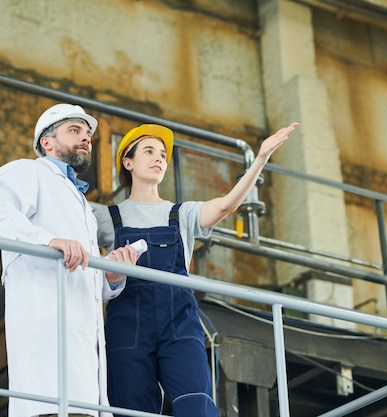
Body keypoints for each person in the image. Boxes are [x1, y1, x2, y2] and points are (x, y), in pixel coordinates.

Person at [95, 121, 299, 417]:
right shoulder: (104, 218)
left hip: (178, 324)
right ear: (128, 161)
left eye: (163, 155)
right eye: (149, 151)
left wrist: (261, 159)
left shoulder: (182, 214)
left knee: (196, 405)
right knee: (131, 409)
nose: (159, 159)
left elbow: (227, 205)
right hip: (128, 326)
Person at [0, 103, 139, 417]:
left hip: (83, 351)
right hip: (48, 343)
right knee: (51, 405)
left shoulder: (80, 203)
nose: (85, 138)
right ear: (46, 142)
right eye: (74, 131)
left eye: (88, 134)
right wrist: (47, 240)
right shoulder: (28, 171)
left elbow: (81, 275)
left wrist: (111, 277)